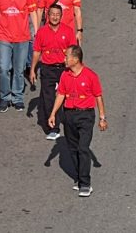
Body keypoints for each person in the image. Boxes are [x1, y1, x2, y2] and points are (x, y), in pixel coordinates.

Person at [48, 45, 107, 196]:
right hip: (68, 116)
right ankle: (80, 178)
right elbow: (61, 94)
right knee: (73, 149)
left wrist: (102, 118)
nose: (64, 59)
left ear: (75, 59)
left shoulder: (90, 76)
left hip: (85, 116)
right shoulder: (65, 75)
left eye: (66, 56)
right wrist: (53, 113)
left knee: (83, 148)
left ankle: (85, 183)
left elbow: (98, 96)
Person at [0, 0, 37, 112]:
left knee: (19, 69)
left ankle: (17, 97)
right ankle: (4, 97)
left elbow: (33, 12)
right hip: (4, 37)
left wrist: (36, 31)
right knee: (4, 68)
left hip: (22, 37)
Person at [29, 4, 77, 140]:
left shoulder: (68, 31)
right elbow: (37, 52)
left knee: (69, 97)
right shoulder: (42, 32)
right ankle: (53, 128)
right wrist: (32, 70)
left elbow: (73, 52)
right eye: (52, 14)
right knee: (48, 98)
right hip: (48, 69)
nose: (55, 17)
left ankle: (71, 124)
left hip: (64, 69)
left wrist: (75, 69)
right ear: (47, 16)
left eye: (57, 14)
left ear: (61, 16)